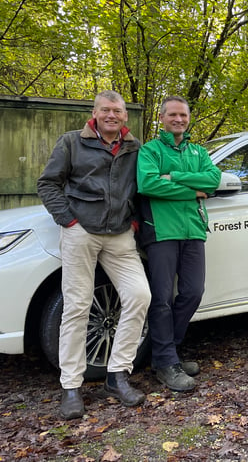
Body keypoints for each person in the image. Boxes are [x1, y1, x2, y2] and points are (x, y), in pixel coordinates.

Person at [37, 90, 151, 420]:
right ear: (95, 113)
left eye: (117, 110)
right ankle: (71, 386)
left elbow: (139, 188)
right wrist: (69, 221)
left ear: (125, 116)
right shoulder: (72, 142)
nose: (112, 115)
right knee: (77, 306)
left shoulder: (134, 147)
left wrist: (131, 221)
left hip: (119, 236)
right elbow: (48, 184)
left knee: (139, 296)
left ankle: (117, 376)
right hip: (81, 232)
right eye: (106, 110)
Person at [137, 96, 221, 391]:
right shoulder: (150, 150)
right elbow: (148, 184)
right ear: (162, 118)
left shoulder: (198, 151)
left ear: (188, 118)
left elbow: (213, 180)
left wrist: (174, 176)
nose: (178, 119)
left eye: (183, 115)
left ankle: (167, 352)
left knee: (193, 292)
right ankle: (165, 362)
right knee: (161, 299)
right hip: (161, 231)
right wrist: (192, 190)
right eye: (172, 114)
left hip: (193, 229)